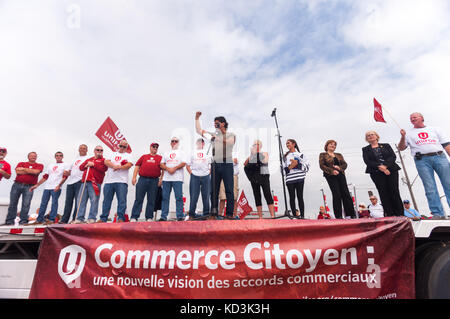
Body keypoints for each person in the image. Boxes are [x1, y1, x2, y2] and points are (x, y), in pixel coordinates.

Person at [398, 112, 450, 219]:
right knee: (430, 187)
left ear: (422, 118)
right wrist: (403, 137)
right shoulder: (408, 133)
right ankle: (438, 213)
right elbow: (401, 147)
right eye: (411, 118)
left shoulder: (435, 129)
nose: (412, 119)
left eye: (415, 117)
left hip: (439, 156)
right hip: (422, 160)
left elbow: (446, 144)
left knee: (448, 184)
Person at [195, 111, 236, 219]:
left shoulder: (230, 134)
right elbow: (199, 131)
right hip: (215, 164)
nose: (215, 125)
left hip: (226, 163)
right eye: (214, 124)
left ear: (223, 124)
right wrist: (197, 118)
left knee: (229, 190)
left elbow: (230, 142)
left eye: (217, 123)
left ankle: (229, 214)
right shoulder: (213, 135)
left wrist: (217, 138)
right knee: (214, 190)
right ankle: (213, 213)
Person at [362, 131, 403, 216]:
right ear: (366, 139)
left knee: (394, 191)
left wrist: (386, 166)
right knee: (383, 192)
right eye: (368, 136)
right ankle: (389, 213)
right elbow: (367, 161)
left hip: (391, 170)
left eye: (372, 134)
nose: (370, 136)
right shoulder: (365, 149)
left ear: (376, 136)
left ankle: (400, 213)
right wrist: (380, 167)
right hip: (376, 172)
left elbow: (393, 156)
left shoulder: (386, 145)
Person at [29, 152, 69, 225]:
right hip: (47, 187)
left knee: (54, 203)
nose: (58, 157)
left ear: (62, 157)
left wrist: (59, 185)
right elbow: (45, 176)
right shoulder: (51, 165)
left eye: (60, 156)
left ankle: (51, 219)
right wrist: (37, 185)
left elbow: (65, 176)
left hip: (56, 187)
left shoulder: (65, 165)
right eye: (57, 156)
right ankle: (39, 220)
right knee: (43, 203)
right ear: (55, 157)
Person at [319, 140, 356, 219]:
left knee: (346, 193)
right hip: (330, 175)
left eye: (334, 145)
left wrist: (340, 167)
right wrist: (332, 171)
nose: (333, 146)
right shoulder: (323, 155)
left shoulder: (339, 155)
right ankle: (338, 215)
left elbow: (345, 164)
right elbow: (322, 166)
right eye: (331, 144)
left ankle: (351, 214)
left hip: (341, 174)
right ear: (327, 146)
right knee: (337, 194)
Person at [99, 140, 133, 223]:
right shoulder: (112, 154)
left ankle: (121, 218)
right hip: (109, 181)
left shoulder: (128, 155)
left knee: (121, 200)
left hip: (122, 181)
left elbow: (129, 165)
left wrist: (119, 167)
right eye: (121, 146)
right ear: (118, 146)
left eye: (124, 147)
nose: (122, 148)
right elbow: (106, 162)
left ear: (126, 148)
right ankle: (103, 218)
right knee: (106, 200)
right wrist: (114, 166)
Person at [5, 152, 44, 225]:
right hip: (17, 185)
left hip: (29, 186)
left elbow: (36, 172)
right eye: (31, 156)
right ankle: (10, 221)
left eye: (35, 156)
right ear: (28, 157)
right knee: (13, 203)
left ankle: (23, 221)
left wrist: (23, 169)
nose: (33, 157)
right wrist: (30, 171)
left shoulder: (39, 165)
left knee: (26, 204)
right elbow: (18, 171)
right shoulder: (21, 163)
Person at [130, 143, 163, 222]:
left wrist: (161, 179)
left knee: (151, 200)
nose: (155, 148)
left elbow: (163, 169)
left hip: (154, 180)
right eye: (153, 147)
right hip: (142, 179)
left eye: (156, 147)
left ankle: (149, 217)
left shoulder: (160, 158)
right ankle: (134, 216)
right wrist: (134, 177)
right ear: (150, 148)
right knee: (138, 199)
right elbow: (137, 166)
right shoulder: (144, 156)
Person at [74, 146, 108, 223]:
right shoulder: (89, 159)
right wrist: (86, 165)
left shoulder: (103, 160)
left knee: (94, 200)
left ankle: (92, 218)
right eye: (97, 150)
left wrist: (93, 164)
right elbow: (81, 167)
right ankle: (80, 218)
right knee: (81, 200)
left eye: (101, 150)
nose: (99, 151)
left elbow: (104, 169)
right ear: (94, 151)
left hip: (95, 182)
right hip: (85, 181)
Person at [244, 140, 275, 219]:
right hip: (254, 176)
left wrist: (256, 154)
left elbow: (264, 160)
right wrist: (251, 154)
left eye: (255, 144)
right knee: (257, 195)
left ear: (259, 145)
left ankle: (272, 215)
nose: (253, 146)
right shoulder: (251, 156)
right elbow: (245, 164)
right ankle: (260, 217)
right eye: (253, 145)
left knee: (267, 194)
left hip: (263, 174)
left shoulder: (264, 153)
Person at [60, 144, 89, 224]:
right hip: (70, 182)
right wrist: (66, 172)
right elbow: (68, 171)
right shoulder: (74, 159)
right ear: (78, 150)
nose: (82, 150)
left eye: (84, 148)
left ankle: (75, 219)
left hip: (80, 181)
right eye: (81, 148)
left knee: (78, 202)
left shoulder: (88, 158)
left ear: (87, 150)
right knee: (68, 202)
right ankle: (64, 220)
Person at [159, 137, 186, 221]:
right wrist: (168, 169)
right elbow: (161, 164)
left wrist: (174, 168)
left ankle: (179, 216)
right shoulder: (166, 153)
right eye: (172, 141)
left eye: (176, 141)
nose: (174, 142)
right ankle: (163, 216)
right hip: (166, 179)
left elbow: (184, 163)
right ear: (170, 143)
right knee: (165, 198)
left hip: (177, 178)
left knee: (178, 197)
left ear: (178, 143)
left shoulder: (182, 152)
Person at [283, 139, 310, 219]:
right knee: (292, 197)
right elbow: (282, 170)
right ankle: (294, 216)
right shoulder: (285, 157)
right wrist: (290, 167)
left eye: (289, 143)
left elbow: (307, 166)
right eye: (286, 144)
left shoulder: (301, 154)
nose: (287, 145)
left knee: (300, 196)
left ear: (294, 144)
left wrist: (297, 165)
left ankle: (302, 215)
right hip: (290, 179)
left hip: (300, 178)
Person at [186, 138, 211, 220]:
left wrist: (208, 172)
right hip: (195, 176)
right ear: (197, 143)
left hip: (206, 176)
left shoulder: (208, 153)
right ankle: (192, 214)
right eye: (199, 142)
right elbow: (188, 165)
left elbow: (211, 165)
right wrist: (192, 174)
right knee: (194, 196)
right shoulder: (192, 152)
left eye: (202, 142)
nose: (200, 144)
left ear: (203, 144)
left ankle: (206, 214)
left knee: (206, 196)